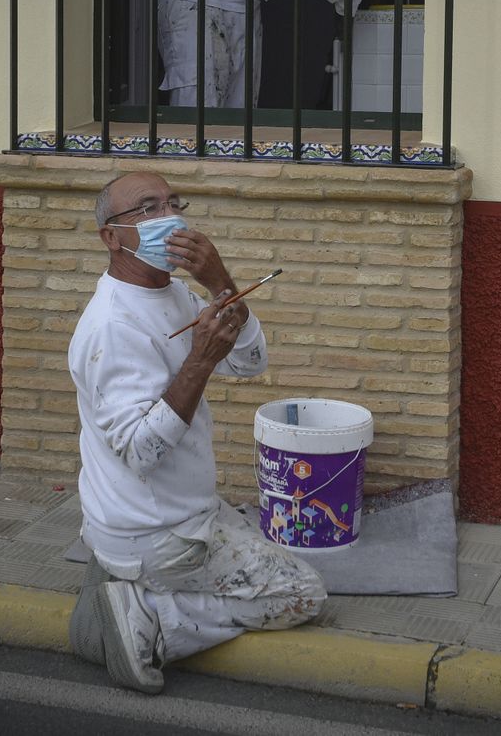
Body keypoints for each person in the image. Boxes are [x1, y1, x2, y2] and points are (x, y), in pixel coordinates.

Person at [66, 170, 325, 694]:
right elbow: (141, 452)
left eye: (172, 203)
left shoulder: (177, 294)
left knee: (256, 545)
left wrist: (221, 282)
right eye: (147, 209)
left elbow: (249, 362)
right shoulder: (113, 326)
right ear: (112, 238)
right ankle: (153, 616)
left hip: (175, 513)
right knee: (302, 593)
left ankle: (132, 583)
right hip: (157, 532)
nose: (169, 218)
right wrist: (199, 362)